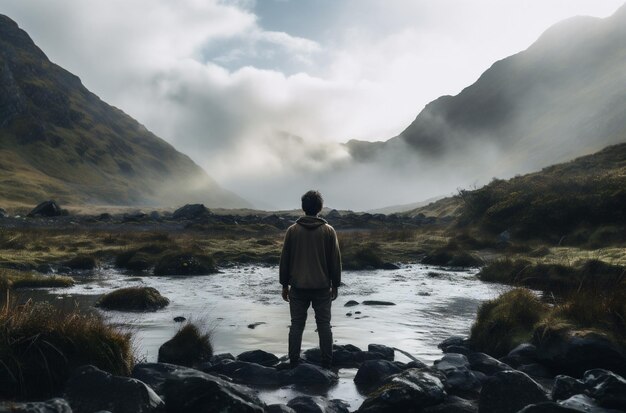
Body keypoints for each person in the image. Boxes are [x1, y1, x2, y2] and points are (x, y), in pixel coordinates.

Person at [279, 190, 341, 368]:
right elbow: (334, 261)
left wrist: (284, 285)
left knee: (296, 325)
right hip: (322, 287)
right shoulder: (329, 231)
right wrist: (335, 284)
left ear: (303, 207)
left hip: (298, 287)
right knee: (324, 325)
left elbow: (285, 260)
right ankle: (327, 364)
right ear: (320, 208)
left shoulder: (292, 231)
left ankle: (293, 362)